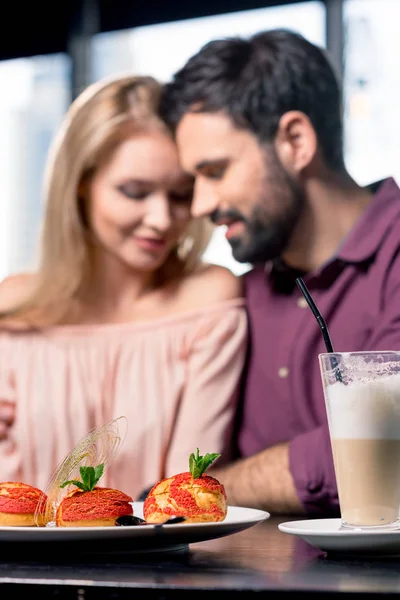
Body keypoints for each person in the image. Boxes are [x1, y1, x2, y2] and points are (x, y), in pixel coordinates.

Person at [159, 28, 400, 516]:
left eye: (215, 171)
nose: (201, 204)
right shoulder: (235, 296)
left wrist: (220, 485)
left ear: (295, 140)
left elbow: (385, 451)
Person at [0, 75, 248, 499]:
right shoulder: (14, 306)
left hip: (156, 561)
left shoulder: (208, 301)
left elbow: (185, 492)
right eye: (135, 192)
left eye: (180, 195)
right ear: (80, 185)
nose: (161, 220)